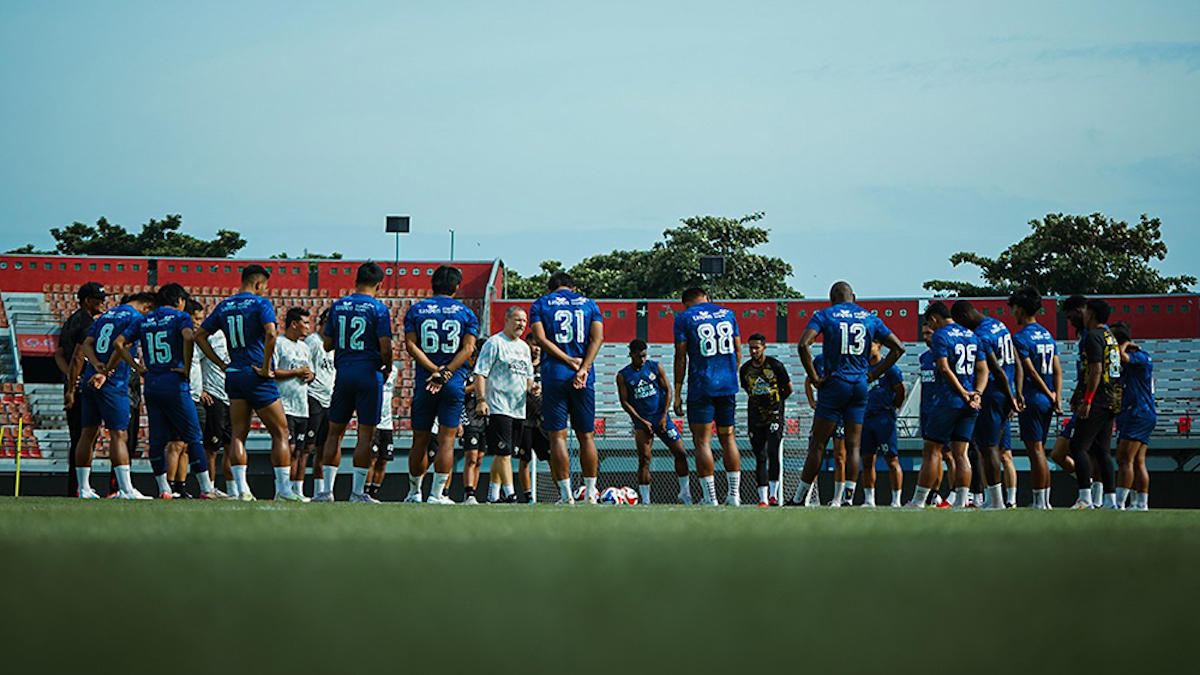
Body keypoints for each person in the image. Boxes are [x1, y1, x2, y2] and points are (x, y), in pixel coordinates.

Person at [790, 282, 904, 507]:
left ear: (831, 299)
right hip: (859, 384)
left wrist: (814, 378)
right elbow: (898, 347)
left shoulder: (825, 315)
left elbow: (803, 345)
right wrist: (873, 375)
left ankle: (799, 497)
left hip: (835, 382)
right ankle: (849, 498)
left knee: (819, 444)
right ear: (854, 297)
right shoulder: (869, 317)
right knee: (853, 445)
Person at [196, 264, 302, 501]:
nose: (266, 290)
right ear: (257, 284)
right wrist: (266, 367)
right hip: (257, 375)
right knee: (281, 432)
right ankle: (284, 491)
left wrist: (220, 364)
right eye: (265, 286)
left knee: (237, 435)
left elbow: (199, 336)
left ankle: (242, 490)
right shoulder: (260, 303)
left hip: (234, 375)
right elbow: (271, 333)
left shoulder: (225, 305)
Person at [113, 283, 221, 499]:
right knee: (193, 437)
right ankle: (206, 488)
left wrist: (138, 368)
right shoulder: (181, 318)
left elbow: (119, 342)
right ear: (179, 301)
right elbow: (189, 337)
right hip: (175, 381)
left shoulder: (144, 319)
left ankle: (164, 488)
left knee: (157, 439)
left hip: (152, 382)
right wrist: (186, 367)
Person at [314, 262, 394, 503]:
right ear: (379, 285)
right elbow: (386, 347)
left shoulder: (338, 306)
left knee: (334, 434)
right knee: (365, 435)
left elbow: (327, 344)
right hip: (369, 374)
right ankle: (357, 492)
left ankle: (326, 491)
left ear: (355, 281)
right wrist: (387, 367)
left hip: (344, 372)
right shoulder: (379, 309)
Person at [402, 265, 479, 504]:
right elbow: (468, 349)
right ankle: (437, 494)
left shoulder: (417, 310)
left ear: (432, 284)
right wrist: (446, 372)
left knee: (420, 440)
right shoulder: (466, 313)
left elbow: (411, 346)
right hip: (452, 381)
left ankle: (414, 492)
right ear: (457, 287)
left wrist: (434, 370)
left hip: (426, 381)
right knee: (447, 440)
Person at [530, 272, 604, 504]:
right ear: (572, 287)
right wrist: (583, 367)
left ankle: (566, 495)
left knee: (558, 437)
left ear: (551, 288)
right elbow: (597, 338)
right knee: (587, 436)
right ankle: (591, 492)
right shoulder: (589, 304)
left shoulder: (541, 303)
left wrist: (566, 359)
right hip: (583, 373)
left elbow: (540, 339)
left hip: (555, 373)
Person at [73, 290, 153, 499]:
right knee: (119, 434)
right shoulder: (135, 317)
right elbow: (122, 345)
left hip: (90, 378)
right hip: (112, 382)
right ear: (146, 307)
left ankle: (83, 488)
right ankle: (126, 489)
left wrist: (95, 365)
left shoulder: (106, 315)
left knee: (87, 433)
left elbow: (87, 345)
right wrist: (106, 371)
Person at [906, 302, 986, 508]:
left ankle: (919, 500)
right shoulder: (972, 335)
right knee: (961, 453)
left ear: (934, 319)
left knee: (931, 450)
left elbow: (943, 368)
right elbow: (982, 369)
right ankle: (962, 500)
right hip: (970, 404)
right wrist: (976, 394)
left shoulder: (941, 335)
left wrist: (962, 393)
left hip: (948, 400)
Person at [673, 287, 742, 506]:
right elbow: (738, 350)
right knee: (728, 438)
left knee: (702, 441)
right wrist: (731, 373)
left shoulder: (684, 317)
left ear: (685, 304)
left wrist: (677, 391)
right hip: (727, 386)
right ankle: (735, 496)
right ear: (707, 298)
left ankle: (709, 497)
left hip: (702, 386)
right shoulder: (727, 314)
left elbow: (681, 356)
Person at [951, 300, 1023, 509]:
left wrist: (1012, 400)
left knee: (988, 447)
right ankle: (994, 499)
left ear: (964, 317)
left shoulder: (981, 335)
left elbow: (997, 371)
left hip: (993, 394)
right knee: (994, 448)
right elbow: (1016, 361)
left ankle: (997, 501)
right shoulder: (999, 325)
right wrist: (1016, 393)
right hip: (1006, 391)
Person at [618, 338, 692, 505]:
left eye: (644, 355)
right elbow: (625, 402)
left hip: (661, 418)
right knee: (644, 459)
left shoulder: (655, 367)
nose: (642, 359)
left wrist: (665, 415)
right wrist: (640, 420)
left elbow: (667, 390)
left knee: (680, 452)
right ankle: (645, 500)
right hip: (642, 422)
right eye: (639, 356)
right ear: (631, 355)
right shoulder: (623, 375)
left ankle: (685, 493)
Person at [474, 306, 535, 504]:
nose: (521, 324)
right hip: (498, 406)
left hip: (518, 408)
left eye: (524, 321)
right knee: (504, 452)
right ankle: (510, 493)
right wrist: (481, 399)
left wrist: (533, 388)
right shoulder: (495, 343)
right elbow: (480, 373)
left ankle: (493, 494)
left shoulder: (524, 348)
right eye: (517, 320)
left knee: (505, 454)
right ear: (507, 320)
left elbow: (528, 378)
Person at [1009, 286, 1061, 509]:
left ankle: (1039, 501)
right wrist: (1056, 395)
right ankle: (1045, 500)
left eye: (1014, 309)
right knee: (1041, 449)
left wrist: (1047, 392)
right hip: (1048, 399)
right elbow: (1057, 368)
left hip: (1034, 397)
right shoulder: (1047, 334)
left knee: (1035, 451)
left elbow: (1029, 370)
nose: (1013, 314)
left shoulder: (1020, 337)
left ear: (1020, 309)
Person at [1068, 298, 1122, 509]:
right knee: (1102, 451)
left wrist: (1087, 400)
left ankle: (1085, 498)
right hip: (1113, 398)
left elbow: (1096, 369)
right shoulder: (1110, 336)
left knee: (1079, 446)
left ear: (1091, 314)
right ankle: (1110, 500)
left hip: (1098, 398)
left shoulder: (1093, 337)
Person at [57, 281, 107, 497]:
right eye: (100, 299)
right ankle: (80, 487)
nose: (103, 303)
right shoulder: (87, 323)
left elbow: (59, 354)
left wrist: (69, 377)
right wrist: (74, 382)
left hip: (72, 382)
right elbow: (79, 355)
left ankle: (75, 487)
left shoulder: (70, 321)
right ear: (88, 301)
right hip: (81, 386)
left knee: (76, 437)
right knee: (85, 437)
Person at [195, 304, 248, 499]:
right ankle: (208, 488)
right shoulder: (211, 338)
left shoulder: (238, 340)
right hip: (215, 396)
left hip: (234, 398)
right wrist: (200, 388)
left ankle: (234, 489)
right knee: (212, 448)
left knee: (231, 445)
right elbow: (195, 361)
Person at [738, 334, 791, 507]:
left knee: (773, 451)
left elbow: (788, 389)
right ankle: (762, 497)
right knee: (759, 456)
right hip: (755, 417)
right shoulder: (745, 369)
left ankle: (774, 495)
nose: (753, 351)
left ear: (764, 347)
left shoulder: (775, 366)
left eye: (757, 347)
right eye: (751, 347)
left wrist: (776, 404)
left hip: (774, 415)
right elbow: (748, 389)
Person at [860, 337, 905, 507]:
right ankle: (869, 499)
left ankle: (896, 500)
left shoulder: (890, 368)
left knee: (891, 458)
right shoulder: (862, 368)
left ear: (879, 347)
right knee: (867, 460)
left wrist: (894, 407)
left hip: (883, 418)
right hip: (865, 418)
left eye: (870, 345)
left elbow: (901, 390)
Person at [1112, 322, 1153, 511]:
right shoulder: (1136, 360)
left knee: (1124, 458)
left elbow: (1122, 358)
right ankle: (1140, 502)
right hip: (1137, 412)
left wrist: (1124, 345)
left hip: (1138, 412)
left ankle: (1120, 503)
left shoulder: (1141, 357)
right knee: (1137, 460)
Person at [277, 307, 315, 501]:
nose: (308, 327)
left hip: (302, 406)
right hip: (284, 405)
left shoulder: (305, 348)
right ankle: (281, 489)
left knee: (299, 451)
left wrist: (310, 375)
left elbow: (310, 373)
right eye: (305, 323)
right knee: (288, 448)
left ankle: (293, 490)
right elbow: (271, 371)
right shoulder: (279, 344)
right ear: (294, 324)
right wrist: (296, 372)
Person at [804, 348, 844, 506]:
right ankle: (806, 495)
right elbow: (809, 380)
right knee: (814, 453)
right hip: (823, 413)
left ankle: (838, 498)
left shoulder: (847, 360)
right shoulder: (820, 360)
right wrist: (812, 401)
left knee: (840, 455)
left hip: (841, 413)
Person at [515, 333, 550, 503]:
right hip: (524, 417)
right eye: (533, 344)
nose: (536, 348)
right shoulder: (520, 366)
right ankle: (528, 496)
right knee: (524, 459)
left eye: (538, 345)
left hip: (543, 419)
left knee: (552, 457)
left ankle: (563, 492)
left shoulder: (546, 366)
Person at [306, 308, 335, 498]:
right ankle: (294, 487)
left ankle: (321, 491)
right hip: (314, 396)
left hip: (329, 399)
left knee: (323, 449)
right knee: (307, 447)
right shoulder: (313, 342)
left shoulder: (333, 345)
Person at [366, 366, 398, 499]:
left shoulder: (395, 370)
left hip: (387, 424)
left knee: (383, 460)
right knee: (371, 459)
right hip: (374, 423)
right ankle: (365, 492)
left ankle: (374, 494)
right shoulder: (373, 368)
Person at [460, 346, 486, 504]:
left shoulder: (483, 375)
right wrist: (477, 386)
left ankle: (473, 493)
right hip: (469, 420)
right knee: (471, 457)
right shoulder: (466, 374)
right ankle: (468, 492)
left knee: (480, 459)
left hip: (483, 421)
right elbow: (460, 392)